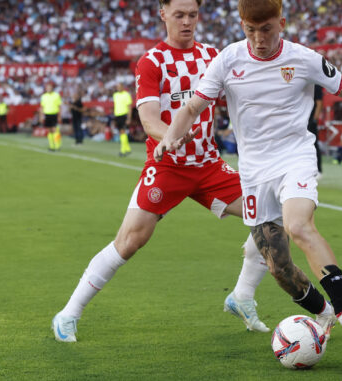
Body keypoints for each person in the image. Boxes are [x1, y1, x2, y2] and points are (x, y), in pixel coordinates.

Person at [155, 0, 342, 340]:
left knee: (298, 225)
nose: (259, 38)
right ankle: (324, 315)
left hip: (295, 157)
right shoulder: (228, 60)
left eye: (266, 29)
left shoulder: (304, 59)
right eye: (251, 30)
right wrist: (169, 138)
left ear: (281, 23)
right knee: (278, 267)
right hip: (253, 172)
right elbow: (191, 107)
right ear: (241, 25)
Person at [51, 0, 271, 343]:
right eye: (179, 14)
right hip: (166, 166)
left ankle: (241, 296)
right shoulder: (151, 62)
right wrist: (169, 138)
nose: (187, 22)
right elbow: (150, 119)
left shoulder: (213, 56)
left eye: (193, 15)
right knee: (129, 241)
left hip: (209, 166)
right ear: (163, 14)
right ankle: (68, 314)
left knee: (269, 217)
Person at [113, 83, 134, 157]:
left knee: (122, 131)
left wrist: (129, 118)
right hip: (117, 115)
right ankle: (128, 149)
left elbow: (129, 107)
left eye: (119, 86)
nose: (118, 88)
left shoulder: (126, 95)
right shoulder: (115, 95)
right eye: (117, 86)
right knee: (121, 132)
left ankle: (122, 150)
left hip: (123, 115)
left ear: (122, 87)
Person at [40, 82, 62, 151]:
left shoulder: (56, 95)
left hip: (54, 114)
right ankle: (51, 146)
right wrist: (41, 116)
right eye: (47, 88)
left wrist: (59, 115)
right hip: (47, 114)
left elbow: (59, 106)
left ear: (52, 88)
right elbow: (42, 107)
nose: (48, 89)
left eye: (49, 87)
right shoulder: (44, 96)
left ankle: (57, 145)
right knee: (49, 131)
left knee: (55, 130)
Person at [308, 84, 324, 176]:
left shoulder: (316, 85)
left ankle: (318, 170)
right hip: (304, 119)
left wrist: (314, 119)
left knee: (314, 144)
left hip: (311, 120)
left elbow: (319, 103)